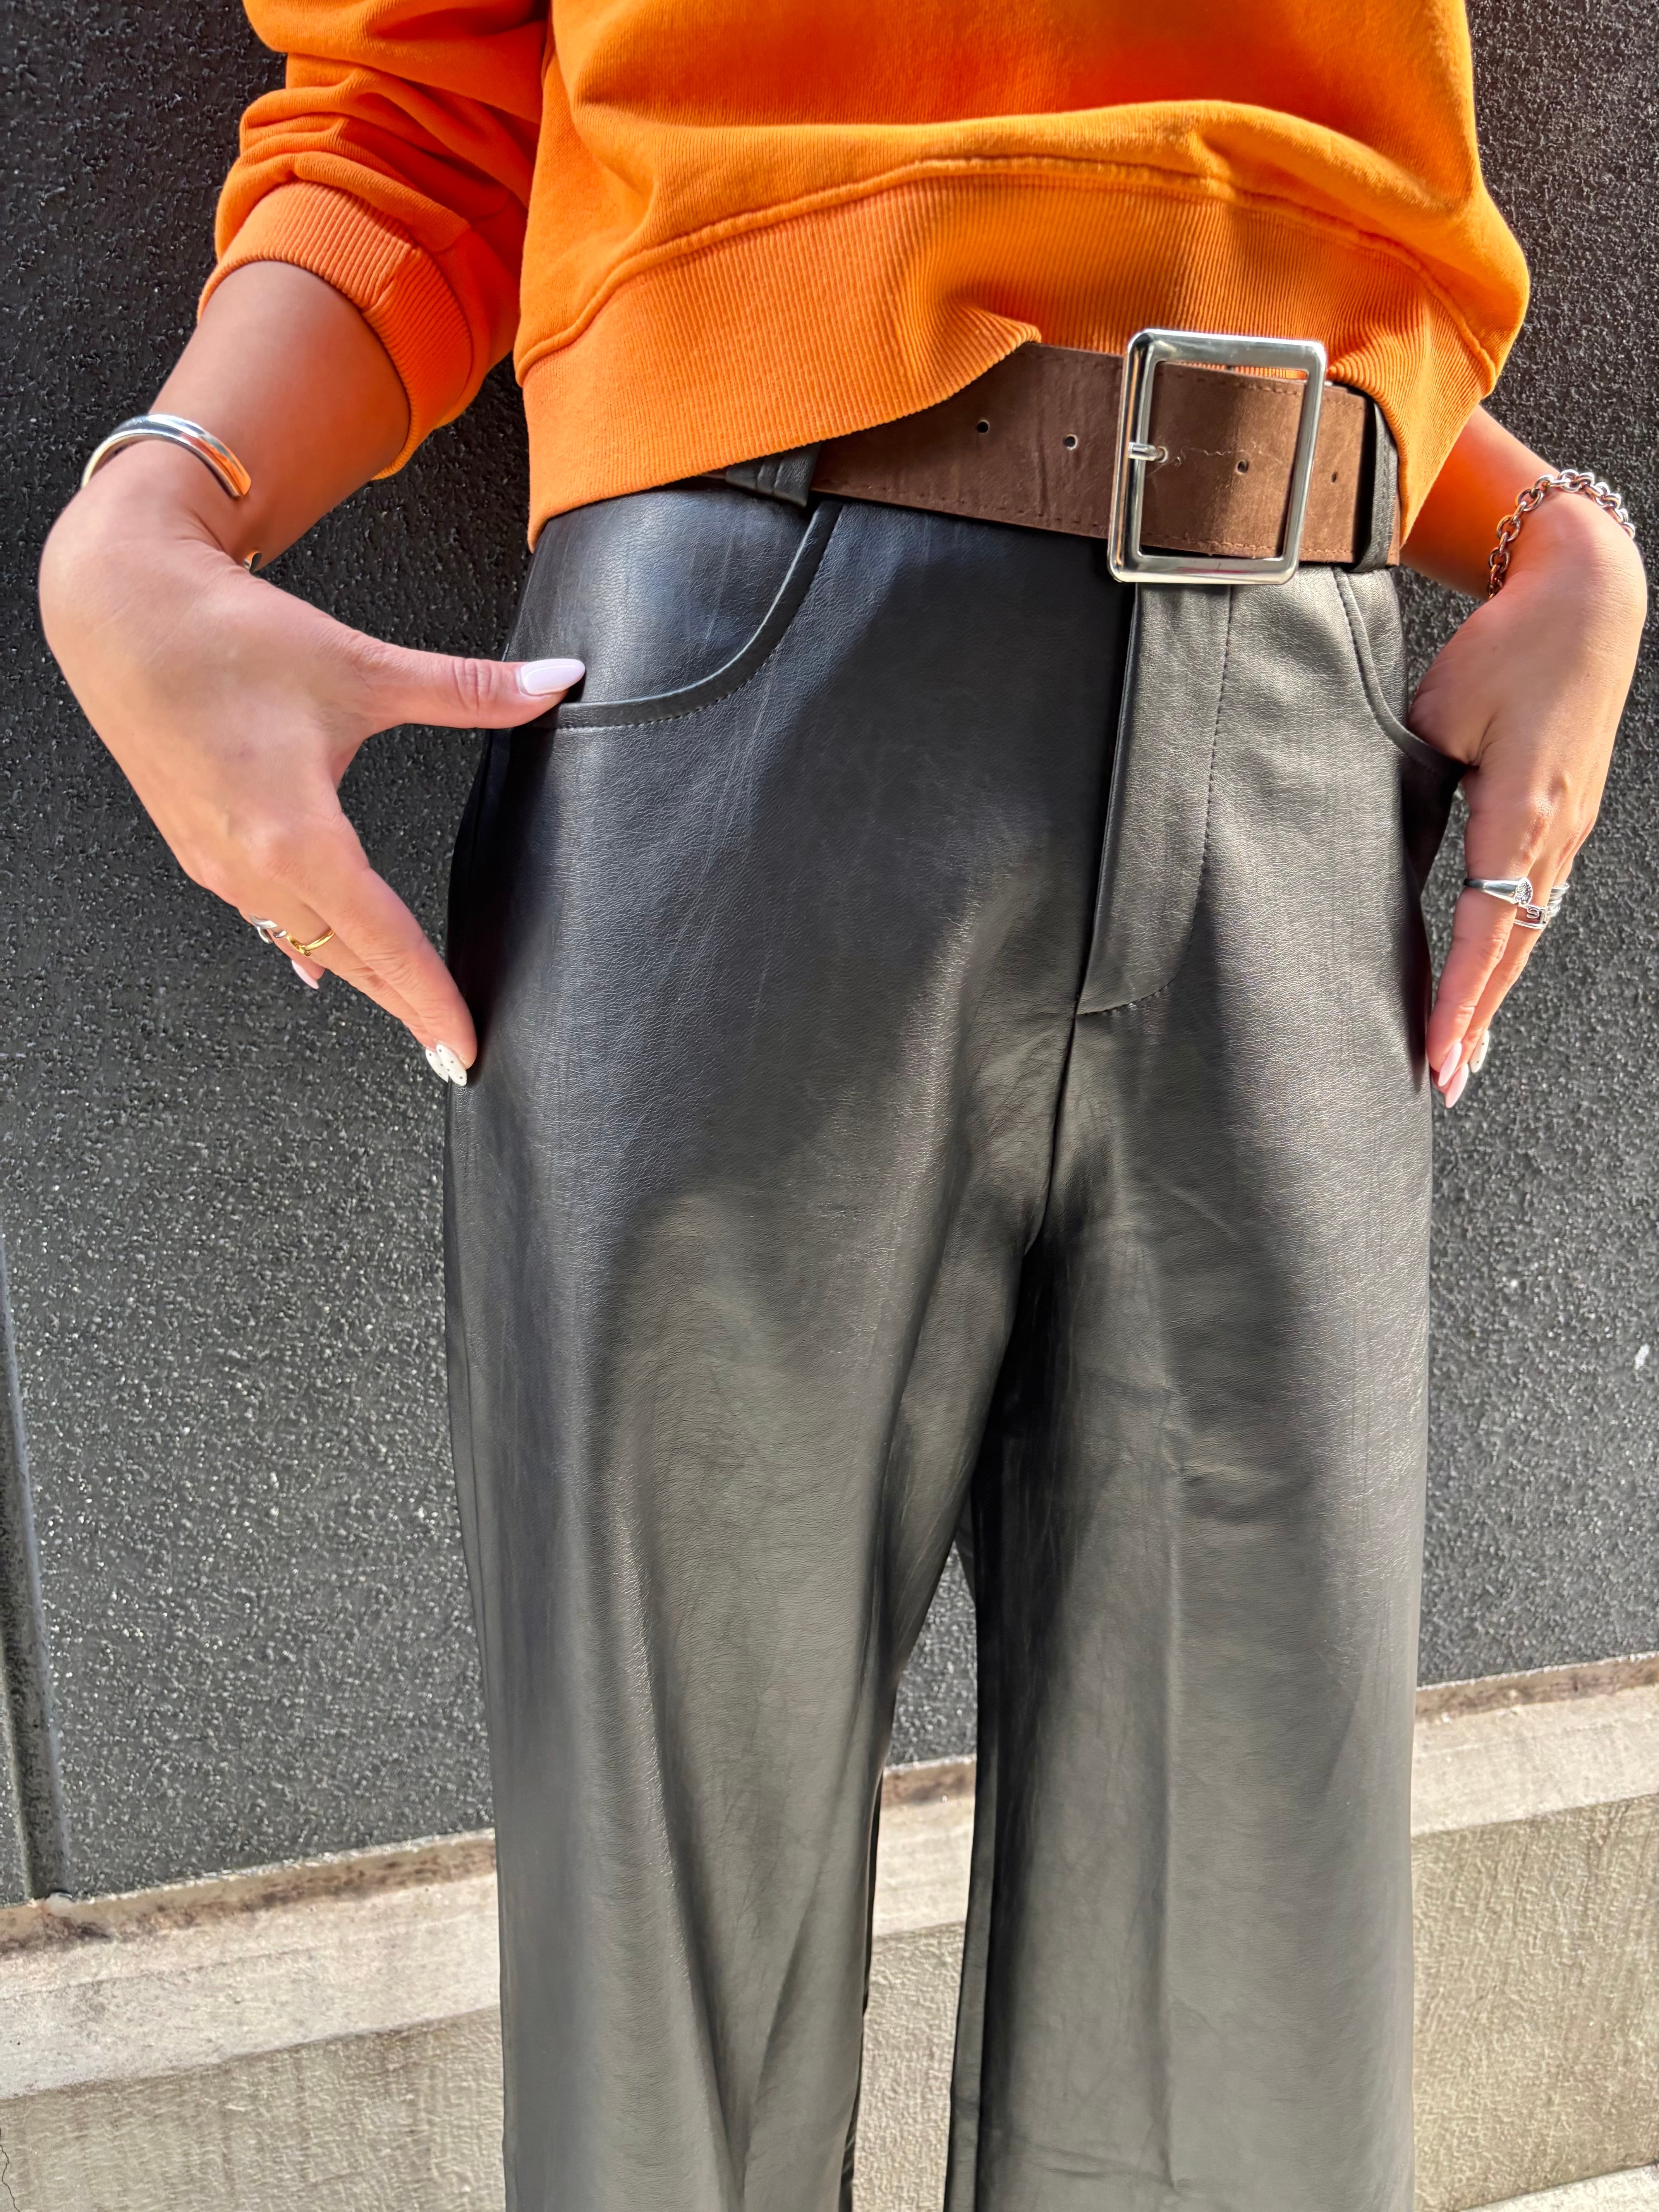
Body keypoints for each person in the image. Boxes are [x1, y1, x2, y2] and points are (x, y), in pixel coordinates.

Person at [38, 5, 1646, 2208]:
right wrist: (156, 502)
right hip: (743, 698)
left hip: (1302, 713)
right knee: (670, 2059)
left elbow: (1250, 185)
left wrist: (1552, 527)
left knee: (1252, 2062)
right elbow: (422, 102)